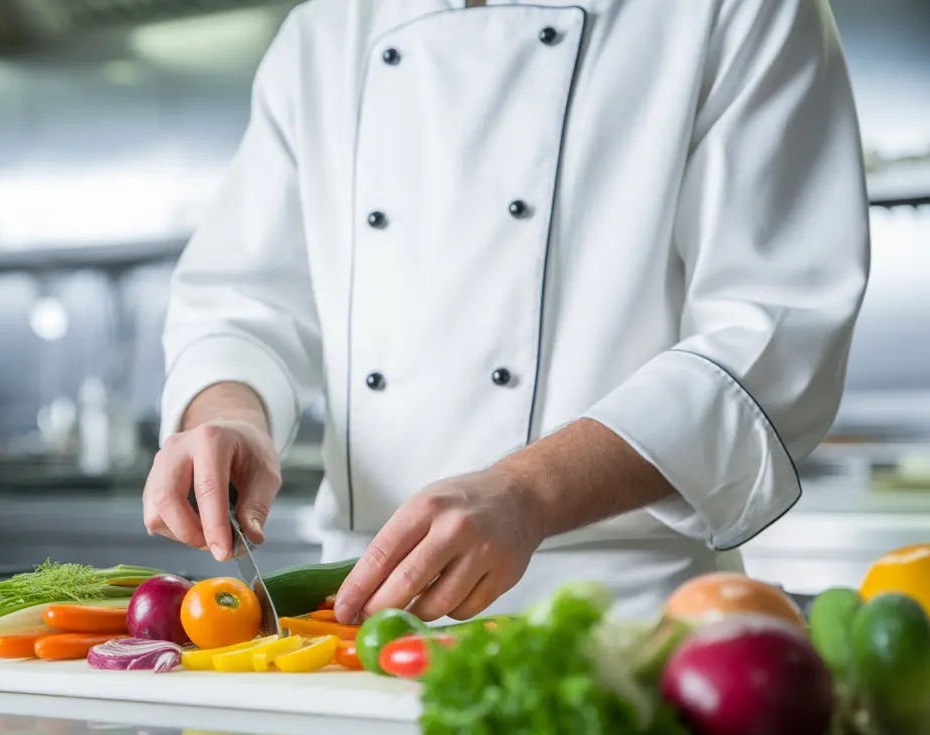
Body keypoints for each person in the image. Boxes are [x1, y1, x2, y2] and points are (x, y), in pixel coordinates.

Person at [142, 0, 870, 625]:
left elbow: (773, 334)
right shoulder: (326, 30)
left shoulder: (733, 11)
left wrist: (531, 490)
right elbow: (240, 302)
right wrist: (231, 415)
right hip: (359, 628)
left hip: (623, 627)